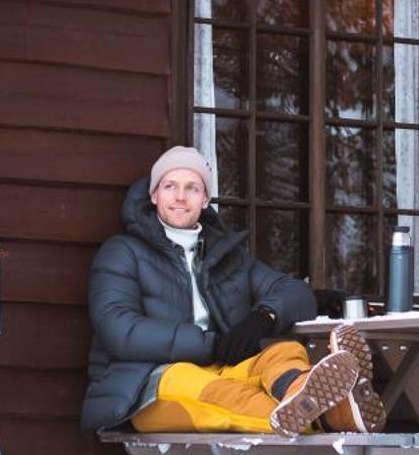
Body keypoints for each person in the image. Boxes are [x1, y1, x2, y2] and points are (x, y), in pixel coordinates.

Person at [80, 145, 386, 437]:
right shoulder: (122, 252)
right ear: (154, 195)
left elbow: (291, 290)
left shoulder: (225, 255)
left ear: (204, 200)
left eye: (192, 188)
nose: (180, 197)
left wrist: (263, 317)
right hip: (147, 385)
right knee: (220, 394)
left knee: (284, 352)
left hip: (222, 368)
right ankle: (332, 416)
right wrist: (211, 345)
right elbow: (119, 330)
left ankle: (304, 394)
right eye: (170, 186)